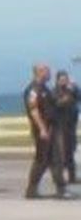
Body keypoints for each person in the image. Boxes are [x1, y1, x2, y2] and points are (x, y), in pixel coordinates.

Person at [25, 64, 69, 198]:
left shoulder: (45, 89)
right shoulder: (33, 89)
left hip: (52, 128)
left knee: (55, 159)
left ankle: (60, 189)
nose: (50, 73)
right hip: (44, 130)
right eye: (47, 71)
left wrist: (62, 101)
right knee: (42, 160)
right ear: (40, 72)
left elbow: (51, 105)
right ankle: (32, 190)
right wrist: (42, 129)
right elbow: (34, 110)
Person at [54, 70, 79, 184]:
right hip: (60, 125)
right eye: (62, 79)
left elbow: (79, 97)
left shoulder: (71, 90)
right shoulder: (55, 91)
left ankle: (72, 176)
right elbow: (54, 105)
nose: (64, 81)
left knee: (71, 151)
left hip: (71, 125)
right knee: (62, 153)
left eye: (66, 79)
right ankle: (59, 178)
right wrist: (62, 101)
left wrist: (74, 88)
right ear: (58, 80)